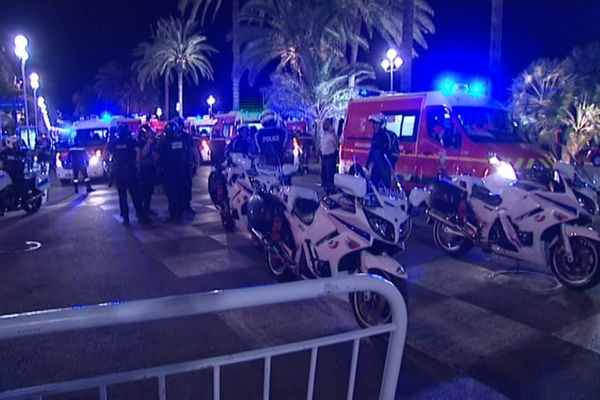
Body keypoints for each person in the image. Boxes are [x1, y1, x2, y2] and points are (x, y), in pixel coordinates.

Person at [107, 124, 146, 226]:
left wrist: (111, 166)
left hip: (119, 173)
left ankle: (126, 218)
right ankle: (141, 216)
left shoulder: (114, 143)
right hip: (130, 171)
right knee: (135, 195)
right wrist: (138, 165)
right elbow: (138, 152)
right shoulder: (131, 142)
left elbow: (106, 155)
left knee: (122, 196)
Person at [157, 120, 193, 222]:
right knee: (180, 192)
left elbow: (157, 154)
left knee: (171, 194)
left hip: (170, 172)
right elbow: (188, 153)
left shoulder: (164, 141)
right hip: (181, 170)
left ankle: (174, 215)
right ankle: (180, 213)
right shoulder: (181, 140)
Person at [136, 124, 158, 217]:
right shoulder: (139, 142)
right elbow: (142, 155)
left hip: (151, 168)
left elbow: (155, 154)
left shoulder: (152, 142)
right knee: (142, 191)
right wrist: (148, 144)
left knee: (149, 190)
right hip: (143, 169)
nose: (150, 134)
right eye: (148, 132)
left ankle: (147, 208)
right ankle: (141, 211)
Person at [366, 113, 392, 189]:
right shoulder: (375, 136)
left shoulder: (385, 136)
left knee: (384, 190)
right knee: (373, 189)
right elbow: (372, 151)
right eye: (373, 124)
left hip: (383, 169)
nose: (373, 126)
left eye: (376, 124)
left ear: (382, 125)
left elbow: (386, 154)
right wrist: (368, 165)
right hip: (375, 169)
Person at [320, 118, 339, 192]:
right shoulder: (324, 134)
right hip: (324, 157)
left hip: (330, 157)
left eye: (325, 124)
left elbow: (336, 144)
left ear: (329, 124)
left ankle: (331, 190)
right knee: (323, 174)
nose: (323, 126)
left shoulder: (332, 134)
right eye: (323, 124)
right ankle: (326, 188)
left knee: (329, 175)